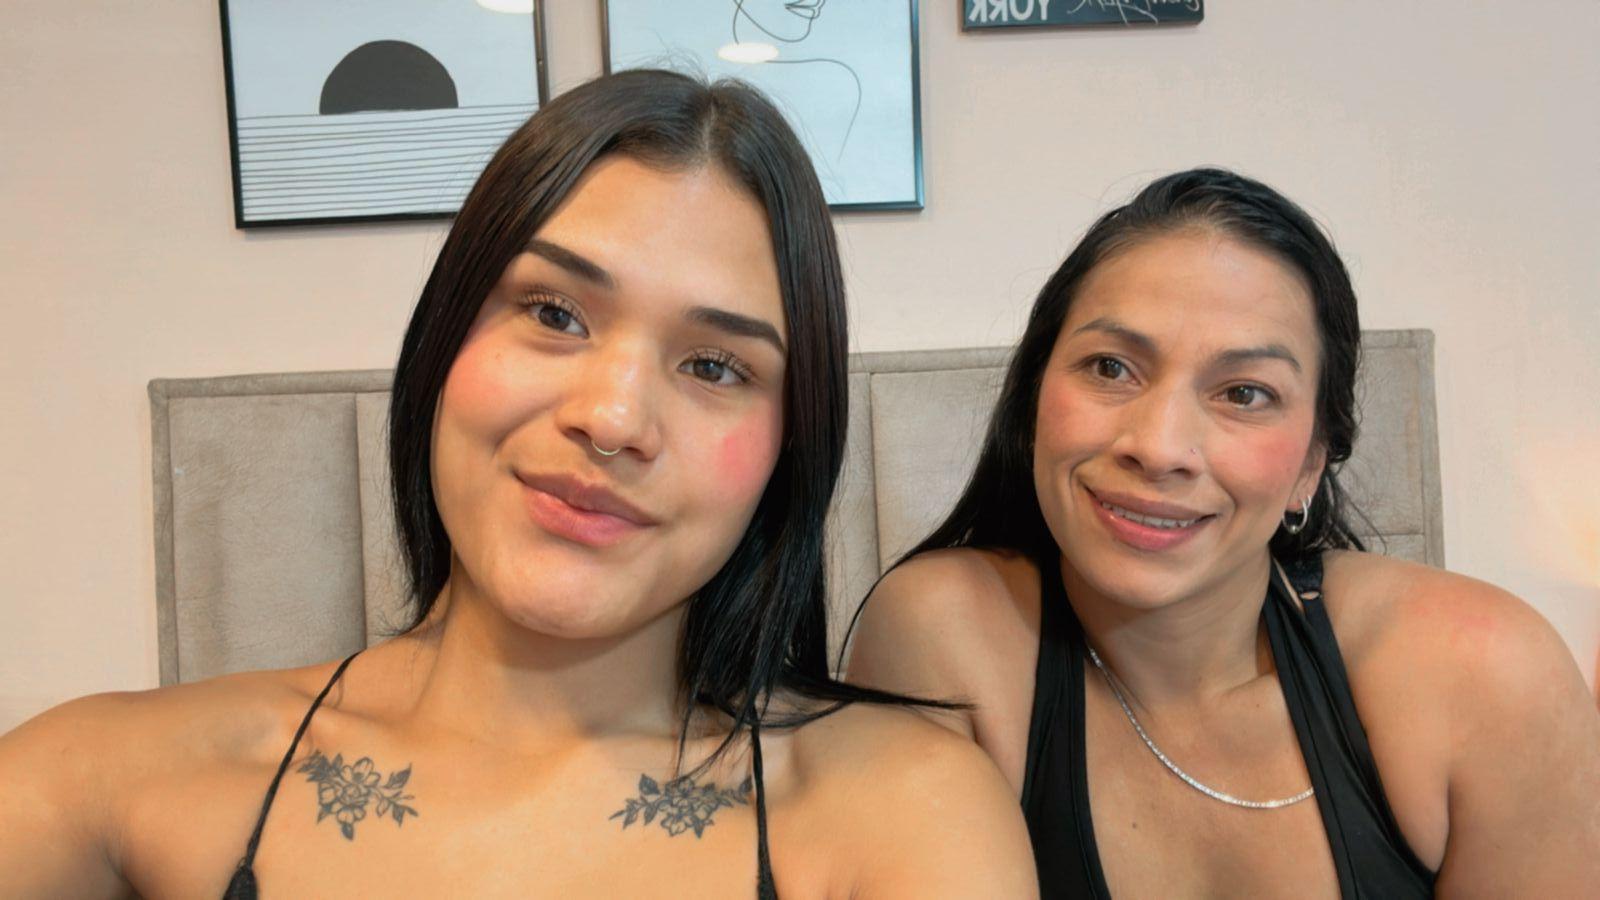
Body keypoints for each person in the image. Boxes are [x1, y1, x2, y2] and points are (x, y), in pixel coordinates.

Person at [0, 70, 1036, 898]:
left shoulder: (908, 815)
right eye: (553, 314)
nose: (613, 418)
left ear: (789, 449)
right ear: (443, 335)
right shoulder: (102, 781)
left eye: (715, 367)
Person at [845, 168, 1600, 897]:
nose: (1159, 447)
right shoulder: (944, 633)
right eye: (1110, 367)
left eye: (1244, 393)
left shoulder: (1481, 670)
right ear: (1035, 399)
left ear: (1311, 463)